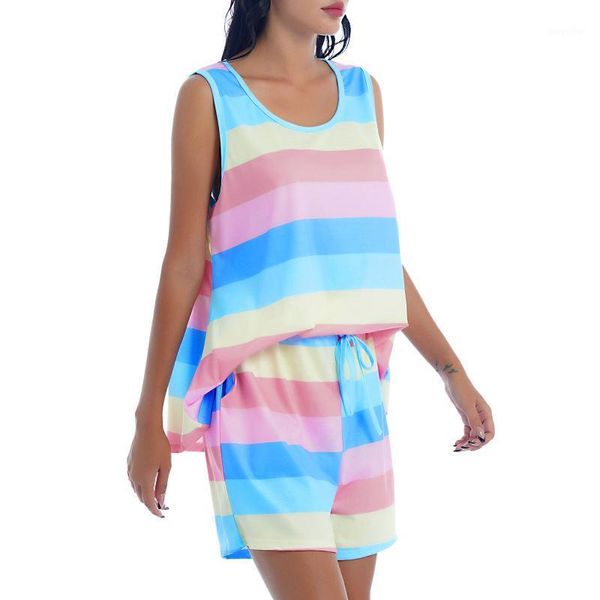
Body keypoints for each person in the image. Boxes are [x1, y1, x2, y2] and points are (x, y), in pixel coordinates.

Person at [127, 1, 495, 597]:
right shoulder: (212, 97)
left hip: (359, 392)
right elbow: (183, 263)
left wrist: (452, 372)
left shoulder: (362, 94)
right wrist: (149, 417)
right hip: (264, 394)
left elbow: (370, 260)